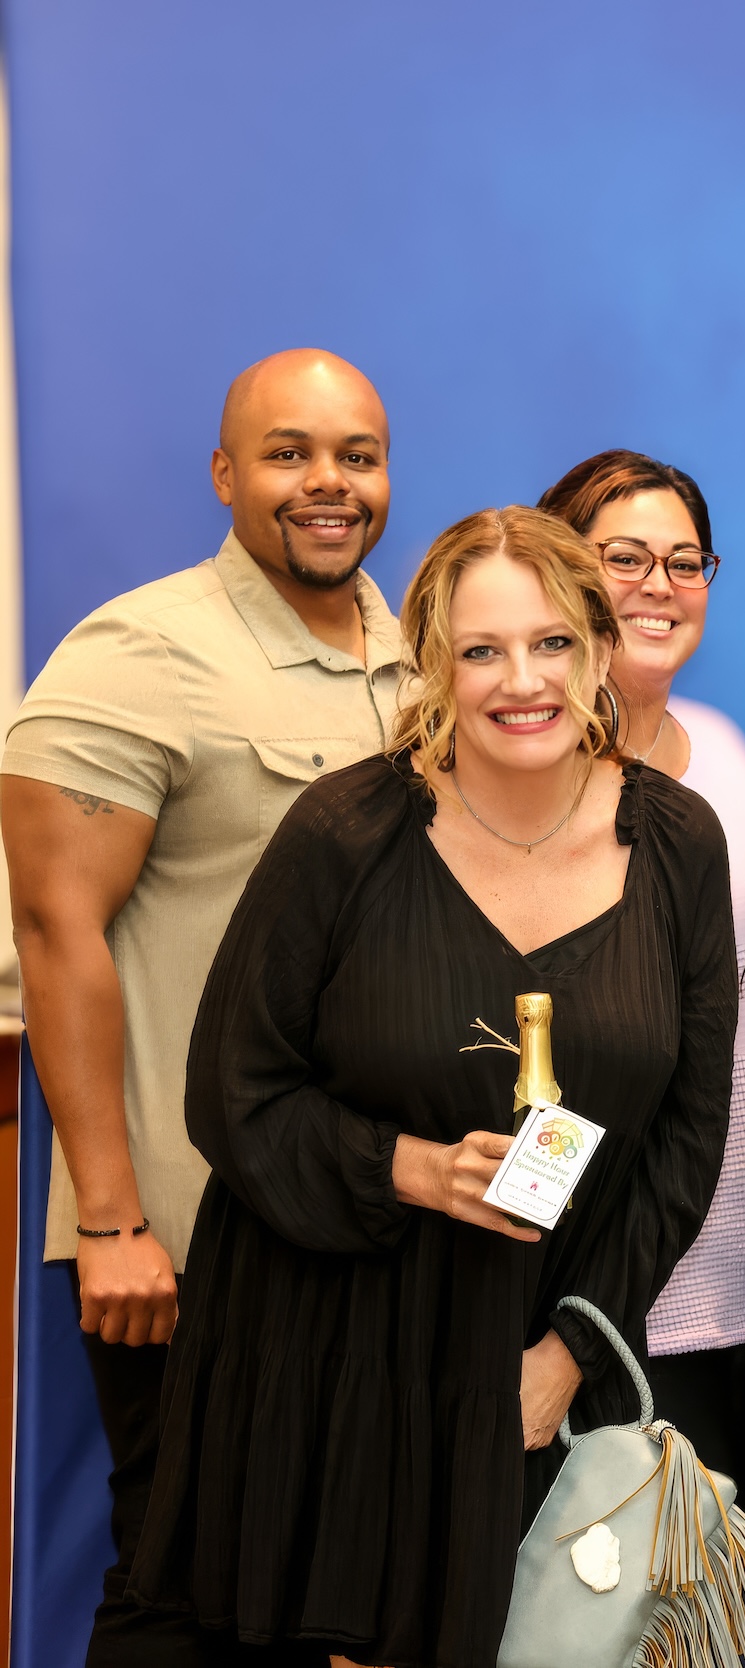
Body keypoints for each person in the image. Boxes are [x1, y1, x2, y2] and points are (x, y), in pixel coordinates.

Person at [123, 506, 737, 1665]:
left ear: (602, 651)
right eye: (483, 650)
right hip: (336, 1346)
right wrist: (407, 1168)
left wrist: (570, 1357)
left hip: (542, 1347)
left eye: (553, 644)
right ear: (433, 664)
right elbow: (233, 1091)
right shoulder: (345, 832)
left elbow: (682, 1144)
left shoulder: (676, 846)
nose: (523, 681)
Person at [1, 348, 402, 1666]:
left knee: (327, 1597)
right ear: (227, 475)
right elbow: (59, 930)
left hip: (365, 1231)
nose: (327, 483)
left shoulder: (420, 660)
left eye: (356, 455)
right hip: (187, 1236)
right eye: (289, 454)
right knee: (186, 1589)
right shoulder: (142, 651)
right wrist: (113, 1218)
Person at [538, 449, 745, 1524]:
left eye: (685, 563)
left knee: (714, 1600)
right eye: (625, 558)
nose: (658, 584)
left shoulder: (725, 748)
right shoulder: (525, 779)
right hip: (613, 1293)